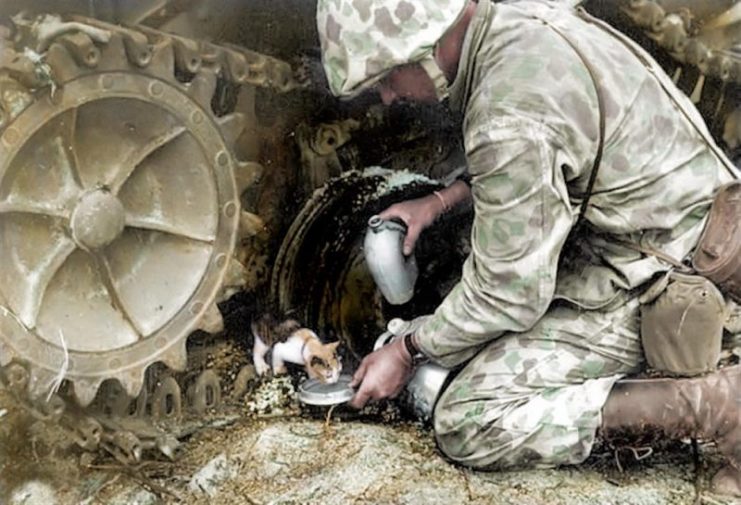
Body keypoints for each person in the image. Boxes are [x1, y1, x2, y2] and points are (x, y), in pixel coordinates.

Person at [316, 0, 741, 495]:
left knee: (469, 418)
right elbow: (556, 151)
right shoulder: (517, 18)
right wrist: (441, 199)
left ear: (429, 49)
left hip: (670, 270)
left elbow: (508, 296)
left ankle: (719, 405)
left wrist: (410, 349)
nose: (388, 97)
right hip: (685, 223)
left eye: (386, 77)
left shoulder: (508, 113)